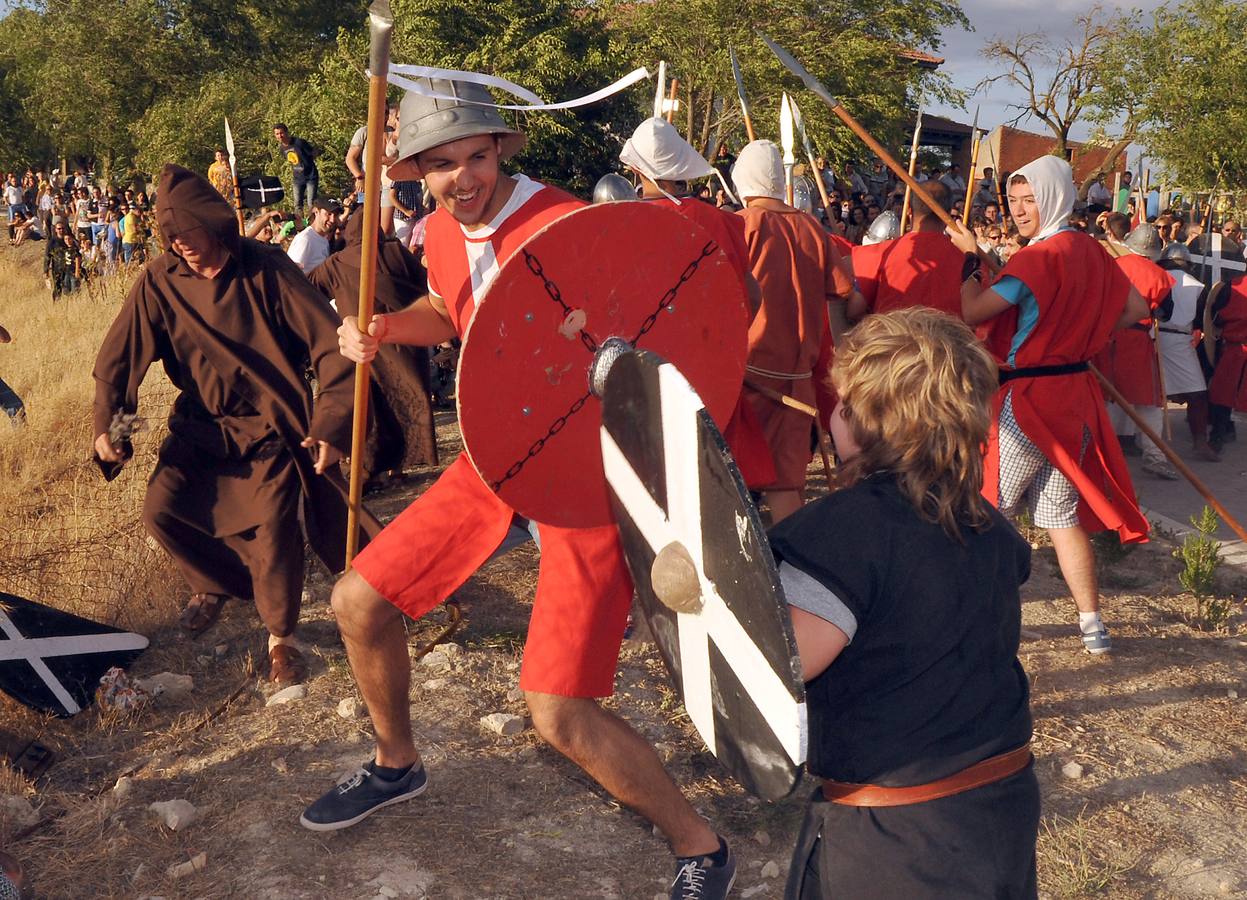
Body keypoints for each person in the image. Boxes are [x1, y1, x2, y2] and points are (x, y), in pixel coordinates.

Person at [307, 78, 739, 900]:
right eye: (441, 165)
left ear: (502, 148)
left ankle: (702, 847)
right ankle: (397, 764)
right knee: (357, 602)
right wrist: (388, 329)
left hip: (587, 474)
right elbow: (451, 308)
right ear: (416, 172)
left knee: (555, 709)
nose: (462, 178)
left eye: (476, 156)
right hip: (496, 454)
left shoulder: (570, 225)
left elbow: (657, 338)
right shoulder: (435, 230)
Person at [774, 308, 1038, 900]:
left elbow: (783, 659)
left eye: (842, 402)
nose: (832, 412)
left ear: (867, 420)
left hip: (899, 839)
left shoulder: (845, 535)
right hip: (1000, 804)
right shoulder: (985, 525)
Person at [91, 164, 374, 686]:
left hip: (271, 425)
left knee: (271, 535)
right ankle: (214, 583)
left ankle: (280, 640)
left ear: (214, 223)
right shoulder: (159, 280)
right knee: (162, 509)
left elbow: (332, 344)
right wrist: (116, 430)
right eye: (171, 237)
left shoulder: (265, 267)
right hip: (202, 427)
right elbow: (122, 361)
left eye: (190, 233)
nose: (182, 246)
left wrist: (330, 422)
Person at [949, 155, 1150, 655]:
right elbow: (1136, 309)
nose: (1019, 209)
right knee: (1060, 516)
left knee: (989, 509)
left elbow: (973, 310)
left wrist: (969, 264)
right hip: (1077, 394)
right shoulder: (1095, 251)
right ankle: (1092, 626)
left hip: (1030, 399)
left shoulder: (1036, 258)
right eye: (1014, 200)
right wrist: (1081, 335)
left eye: (1029, 199)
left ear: (1053, 196)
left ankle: (977, 626)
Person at [619, 115, 776, 492]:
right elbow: (748, 293)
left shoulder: (625, 220)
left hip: (647, 365)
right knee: (713, 473)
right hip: (713, 359)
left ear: (636, 169)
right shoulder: (720, 220)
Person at [729, 140, 857, 521]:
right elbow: (840, 296)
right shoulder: (813, 229)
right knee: (786, 488)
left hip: (748, 378)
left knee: (731, 485)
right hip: (798, 378)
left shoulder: (740, 224)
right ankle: (793, 573)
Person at [306, 207, 438, 480]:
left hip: (367, 345)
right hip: (405, 341)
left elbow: (308, 289)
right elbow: (427, 286)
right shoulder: (397, 253)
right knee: (405, 400)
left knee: (374, 407)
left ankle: (370, 467)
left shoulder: (336, 264)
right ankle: (398, 467)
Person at [1092, 223, 1175, 478]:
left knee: (1104, 399)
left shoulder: (1113, 266)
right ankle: (1154, 456)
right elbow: (1166, 313)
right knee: (1148, 403)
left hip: (1106, 337)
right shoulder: (1160, 276)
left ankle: (1095, 455)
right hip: (1137, 342)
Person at [849, 180, 964, 320]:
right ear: (947, 214)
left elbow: (854, 311)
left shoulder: (880, 254)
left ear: (908, 210)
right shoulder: (969, 261)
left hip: (893, 338)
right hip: (949, 340)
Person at [1155, 243, 1219, 459]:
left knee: (1147, 391)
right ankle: (1200, 443)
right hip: (1180, 341)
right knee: (1198, 394)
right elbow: (1202, 321)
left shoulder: (1155, 277)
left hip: (1151, 337)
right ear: (1188, 264)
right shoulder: (1198, 286)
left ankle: (1130, 439)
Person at [273, 123, 320, 217]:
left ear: (286, 132)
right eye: (277, 134)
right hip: (297, 178)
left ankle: (313, 223)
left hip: (310, 176)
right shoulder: (282, 148)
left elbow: (313, 152)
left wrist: (307, 163)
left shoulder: (299, 143)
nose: (280, 136)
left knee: (311, 203)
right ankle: (300, 225)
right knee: (297, 204)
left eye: (281, 133)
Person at [286, 198, 339, 273]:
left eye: (335, 215)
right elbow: (291, 273)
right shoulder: (305, 239)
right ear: (316, 212)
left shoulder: (322, 238)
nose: (332, 219)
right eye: (329, 214)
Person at [43, 220, 80, 300]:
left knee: (69, 288)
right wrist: (46, 271)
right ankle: (57, 304)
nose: (61, 230)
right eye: (59, 228)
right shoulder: (52, 242)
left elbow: (77, 251)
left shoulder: (68, 239)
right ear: (55, 229)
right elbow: (47, 256)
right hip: (57, 268)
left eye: (63, 228)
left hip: (69, 268)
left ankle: (70, 303)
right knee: (57, 287)